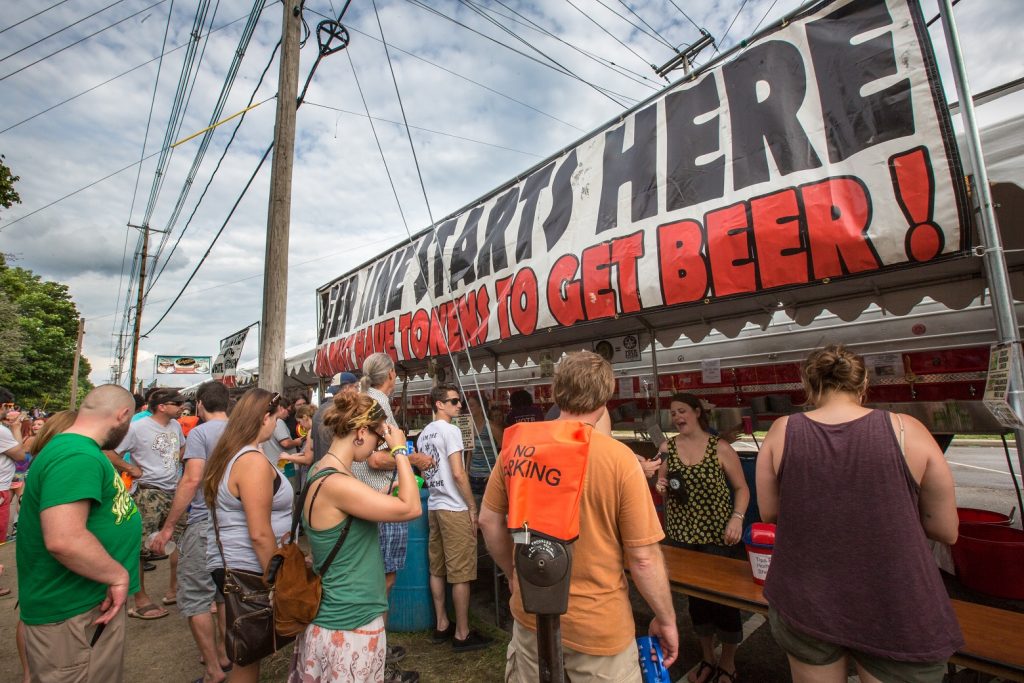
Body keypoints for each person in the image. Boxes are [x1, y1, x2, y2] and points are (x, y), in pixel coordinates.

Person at [756, 345, 962, 683]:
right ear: (863, 385)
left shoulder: (782, 431)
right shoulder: (908, 429)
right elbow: (945, 529)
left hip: (806, 597)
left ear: (808, 387)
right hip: (895, 602)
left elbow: (771, 513)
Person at [480, 351, 679, 680]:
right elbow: (643, 558)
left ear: (555, 391)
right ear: (606, 397)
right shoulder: (619, 460)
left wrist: (515, 575)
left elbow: (488, 521)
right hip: (599, 628)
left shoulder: (515, 446)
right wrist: (667, 618)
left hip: (532, 614)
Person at [288, 392, 422, 683]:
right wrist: (400, 451)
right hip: (350, 619)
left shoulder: (321, 471)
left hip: (336, 615)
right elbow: (411, 507)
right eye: (378, 437)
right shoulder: (338, 483)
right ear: (361, 433)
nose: (379, 444)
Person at [15, 385, 141, 683]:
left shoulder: (81, 451)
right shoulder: (76, 455)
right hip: (73, 612)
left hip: (87, 606)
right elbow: (64, 538)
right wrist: (116, 575)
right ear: (123, 415)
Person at [654, 394, 749, 683]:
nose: (677, 417)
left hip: (718, 537)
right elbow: (662, 481)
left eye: (682, 411)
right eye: (673, 413)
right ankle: (708, 658)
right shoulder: (667, 447)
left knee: (725, 603)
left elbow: (742, 489)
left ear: (697, 412)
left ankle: (728, 664)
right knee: (696, 603)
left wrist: (737, 518)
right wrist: (659, 485)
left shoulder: (719, 448)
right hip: (683, 536)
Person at [203, 389, 294, 683]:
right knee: (247, 656)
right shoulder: (251, 460)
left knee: (247, 654)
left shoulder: (233, 452)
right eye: (276, 415)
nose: (278, 421)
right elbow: (259, 532)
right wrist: (277, 578)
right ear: (264, 417)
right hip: (249, 568)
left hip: (236, 564)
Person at [150, 381, 231, 683]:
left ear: (199, 404)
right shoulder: (241, 431)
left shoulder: (199, 433)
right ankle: (223, 653)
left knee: (197, 595)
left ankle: (212, 669)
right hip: (233, 523)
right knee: (224, 593)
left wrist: (170, 525)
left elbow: (191, 479)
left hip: (204, 521)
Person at [358, 353, 433, 678]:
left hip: (366, 500)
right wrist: (412, 459)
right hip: (380, 501)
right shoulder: (379, 405)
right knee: (383, 582)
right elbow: (376, 459)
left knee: (376, 580)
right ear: (391, 374)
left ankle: (378, 650)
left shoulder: (365, 399)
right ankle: (377, 659)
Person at [418, 385, 493, 652]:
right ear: (439, 404)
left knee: (437, 568)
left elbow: (427, 472)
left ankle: (442, 624)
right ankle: (462, 633)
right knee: (460, 573)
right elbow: (459, 473)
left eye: (459, 401)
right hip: (454, 507)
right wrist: (472, 507)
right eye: (453, 401)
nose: (459, 405)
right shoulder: (451, 431)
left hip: (435, 506)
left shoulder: (423, 435)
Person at [12, 408, 78, 683]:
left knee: (31, 608)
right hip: (48, 550)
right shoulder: (58, 463)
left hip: (39, 547)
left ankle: (31, 672)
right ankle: (33, 672)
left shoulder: (47, 458)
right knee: (38, 612)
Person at [110, 387, 187, 619]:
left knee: (181, 540)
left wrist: (177, 463)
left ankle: (174, 589)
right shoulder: (136, 428)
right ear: (162, 406)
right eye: (177, 402)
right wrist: (131, 468)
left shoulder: (175, 426)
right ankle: (140, 599)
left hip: (174, 491)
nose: (182, 406)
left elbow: (181, 446)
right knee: (140, 549)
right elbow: (108, 452)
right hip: (147, 493)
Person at [308, 372, 359, 466]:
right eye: (356, 387)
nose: (358, 391)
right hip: (337, 470)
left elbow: (311, 446)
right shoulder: (344, 411)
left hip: (319, 469)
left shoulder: (319, 411)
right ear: (346, 389)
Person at [1, 387, 29, 543]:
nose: (11, 409)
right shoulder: (1, 431)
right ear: (3, 406)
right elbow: (20, 456)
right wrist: (16, 427)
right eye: (9, 406)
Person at [465, 392, 502, 506]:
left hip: (488, 478)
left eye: (472, 405)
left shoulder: (491, 427)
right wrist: (466, 470)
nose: (468, 408)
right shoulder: (469, 426)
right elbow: (470, 451)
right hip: (473, 476)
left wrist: (495, 472)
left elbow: (505, 450)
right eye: (468, 405)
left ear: (481, 407)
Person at [262, 396, 304, 492]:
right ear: (280, 408)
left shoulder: (267, 421)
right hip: (285, 468)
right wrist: (298, 441)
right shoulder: (279, 421)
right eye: (288, 411)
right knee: (291, 500)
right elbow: (285, 443)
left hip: (277, 468)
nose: (288, 414)